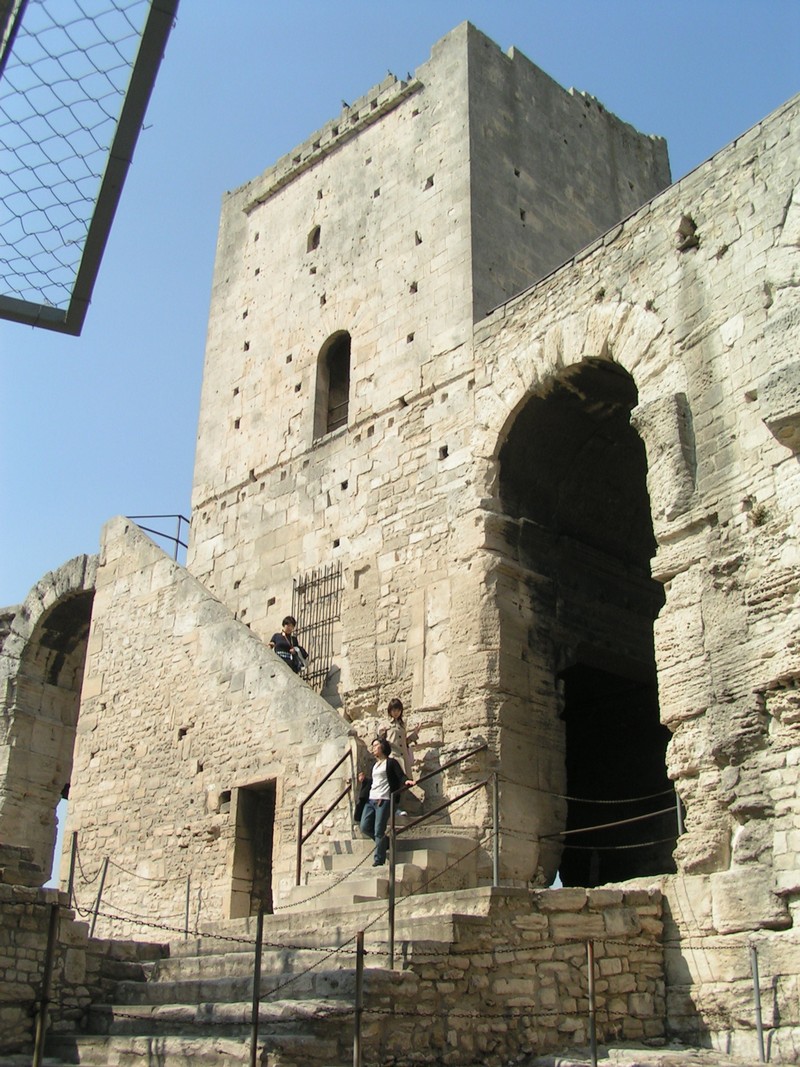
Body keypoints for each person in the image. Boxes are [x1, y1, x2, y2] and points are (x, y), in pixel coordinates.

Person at [358, 738, 414, 866]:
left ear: (383, 746)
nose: (373, 748)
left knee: (379, 830)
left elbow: (400, 775)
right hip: (371, 799)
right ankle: (385, 843)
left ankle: (379, 859)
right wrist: (365, 780)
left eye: (376, 745)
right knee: (365, 826)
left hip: (384, 800)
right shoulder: (375, 766)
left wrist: (406, 781)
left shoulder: (391, 762)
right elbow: (375, 782)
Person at [378, 697, 418, 776]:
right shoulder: (385, 724)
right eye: (394, 710)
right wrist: (381, 732)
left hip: (404, 759)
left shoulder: (402, 725)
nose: (396, 712)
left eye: (398, 710)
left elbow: (405, 742)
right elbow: (381, 741)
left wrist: (415, 733)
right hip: (393, 757)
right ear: (390, 711)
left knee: (406, 783)